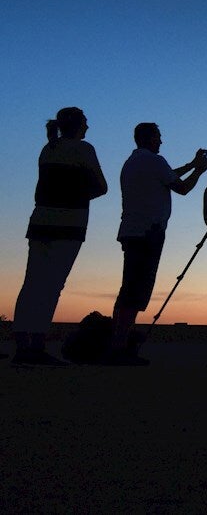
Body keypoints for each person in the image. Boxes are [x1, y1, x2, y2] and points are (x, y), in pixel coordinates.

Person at [12, 107, 108, 366]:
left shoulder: (49, 148)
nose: (88, 127)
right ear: (78, 126)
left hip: (41, 221)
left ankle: (23, 345)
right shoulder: (83, 149)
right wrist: (77, 195)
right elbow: (101, 186)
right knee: (52, 285)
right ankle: (37, 344)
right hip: (69, 223)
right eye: (86, 123)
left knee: (32, 282)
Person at [108, 123, 207, 364]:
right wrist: (199, 172)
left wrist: (191, 165)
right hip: (147, 232)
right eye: (159, 137)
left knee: (130, 287)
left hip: (134, 230)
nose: (161, 142)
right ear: (151, 138)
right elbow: (182, 187)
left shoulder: (136, 161)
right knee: (135, 289)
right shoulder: (154, 161)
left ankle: (118, 342)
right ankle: (119, 347)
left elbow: (167, 176)